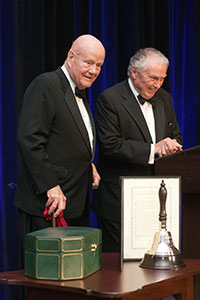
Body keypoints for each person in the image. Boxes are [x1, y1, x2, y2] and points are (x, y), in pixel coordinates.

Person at [14, 34, 105, 253]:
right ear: (70, 56)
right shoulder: (46, 84)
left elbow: (65, 139)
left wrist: (88, 163)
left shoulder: (78, 91)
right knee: (46, 280)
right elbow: (30, 139)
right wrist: (50, 186)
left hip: (75, 202)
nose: (94, 70)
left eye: (99, 65)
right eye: (89, 62)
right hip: (47, 205)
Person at [92, 47, 182, 252]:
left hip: (156, 202)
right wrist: (154, 149)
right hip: (119, 202)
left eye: (162, 79)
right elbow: (110, 145)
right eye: (153, 78)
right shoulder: (110, 99)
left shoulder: (164, 98)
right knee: (118, 270)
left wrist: (171, 144)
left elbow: (175, 135)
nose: (158, 84)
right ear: (133, 71)